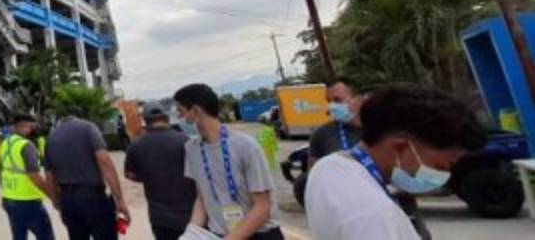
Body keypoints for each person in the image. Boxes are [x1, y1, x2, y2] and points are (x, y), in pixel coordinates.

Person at [304, 84, 485, 240]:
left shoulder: (330, 166)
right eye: (442, 167)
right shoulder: (375, 217)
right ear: (400, 147)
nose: (443, 175)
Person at [174, 83, 283, 240]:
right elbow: (202, 196)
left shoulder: (245, 146)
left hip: (260, 234)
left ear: (196, 110)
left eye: (181, 111)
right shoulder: (192, 149)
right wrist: (192, 232)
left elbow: (262, 207)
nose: (179, 118)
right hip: (220, 234)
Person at [44, 110, 131, 240]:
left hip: (68, 201)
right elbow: (105, 162)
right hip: (94, 200)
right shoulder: (88, 128)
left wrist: (59, 205)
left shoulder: (51, 138)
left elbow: (49, 177)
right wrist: (120, 200)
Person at [124, 105, 197, 240]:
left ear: (145, 121)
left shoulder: (135, 145)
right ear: (167, 118)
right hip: (190, 214)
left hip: (160, 217)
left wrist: (148, 176)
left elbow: (130, 174)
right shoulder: (186, 141)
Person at [0, 114, 57, 240]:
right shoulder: (26, 145)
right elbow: (34, 175)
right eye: (32, 127)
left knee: (19, 237)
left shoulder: (5, 143)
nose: (34, 130)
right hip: (28, 200)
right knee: (46, 236)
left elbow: (1, 171)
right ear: (25, 127)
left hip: (9, 199)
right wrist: (52, 195)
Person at [309, 79, 365, 166]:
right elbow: (314, 174)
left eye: (337, 100)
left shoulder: (384, 129)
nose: (332, 106)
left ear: (359, 100)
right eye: (329, 101)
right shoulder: (321, 134)